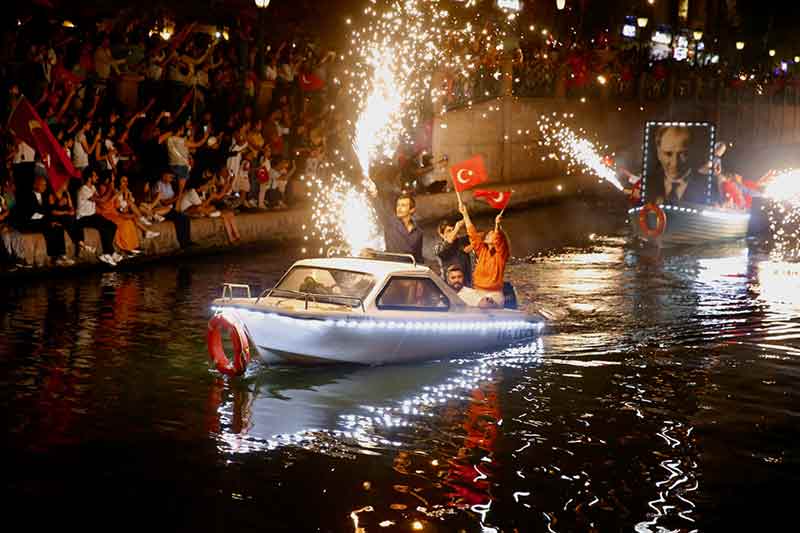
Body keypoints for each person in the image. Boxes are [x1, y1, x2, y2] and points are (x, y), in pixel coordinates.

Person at [456, 202, 509, 308]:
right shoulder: (483, 252)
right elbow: (473, 235)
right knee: (457, 296)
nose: (488, 233)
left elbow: (500, 241)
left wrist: (497, 225)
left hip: (493, 295)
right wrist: (465, 214)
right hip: (478, 293)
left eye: (492, 233)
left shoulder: (501, 256)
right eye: (489, 232)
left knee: (484, 303)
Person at [14, 176, 73, 266]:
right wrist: (48, 221)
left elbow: (48, 211)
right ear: (35, 185)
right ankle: (55, 257)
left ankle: (61, 256)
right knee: (50, 227)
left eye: (45, 185)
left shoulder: (45, 196)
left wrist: (50, 220)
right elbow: (32, 214)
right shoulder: (28, 196)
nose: (45, 187)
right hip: (31, 222)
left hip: (42, 221)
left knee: (58, 227)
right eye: (43, 185)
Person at [368, 179, 423, 263]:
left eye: (403, 205)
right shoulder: (390, 222)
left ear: (412, 210)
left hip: (408, 270)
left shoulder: (418, 232)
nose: (399, 208)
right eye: (398, 205)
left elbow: (418, 256)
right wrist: (374, 193)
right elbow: (379, 208)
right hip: (392, 268)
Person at [650, 126, 707, 204]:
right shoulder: (648, 183)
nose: (675, 163)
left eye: (683, 154)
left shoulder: (707, 186)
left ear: (693, 152)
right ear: (658, 153)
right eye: (668, 154)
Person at [434, 216, 472, 287]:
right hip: (448, 288)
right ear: (442, 235)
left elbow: (480, 235)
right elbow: (448, 243)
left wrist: (473, 245)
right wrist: (457, 227)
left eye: (453, 230)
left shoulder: (461, 241)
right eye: (449, 231)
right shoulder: (438, 248)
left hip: (465, 287)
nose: (453, 233)